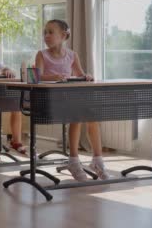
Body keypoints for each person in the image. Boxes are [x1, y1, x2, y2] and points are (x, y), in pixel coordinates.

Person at [35, 19, 109, 181]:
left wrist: (86, 76)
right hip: (50, 100)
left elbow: (79, 75)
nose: (46, 35)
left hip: (70, 98)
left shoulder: (72, 55)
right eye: (45, 32)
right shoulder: (42, 55)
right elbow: (37, 77)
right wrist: (53, 77)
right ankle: (74, 161)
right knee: (77, 115)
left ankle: (97, 160)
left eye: (50, 32)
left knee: (92, 117)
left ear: (64, 35)